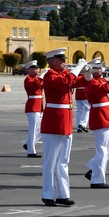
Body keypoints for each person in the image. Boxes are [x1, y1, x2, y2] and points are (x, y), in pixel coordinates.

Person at [40, 48, 85, 207]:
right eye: (61, 59)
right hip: (54, 122)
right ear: (52, 61)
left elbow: (77, 81)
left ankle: (63, 194)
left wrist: (87, 74)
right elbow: (66, 82)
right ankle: (47, 194)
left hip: (65, 122)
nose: (64, 61)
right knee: (50, 161)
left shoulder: (64, 73)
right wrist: (77, 70)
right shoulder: (49, 76)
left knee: (63, 161)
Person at [81, 62, 109, 189]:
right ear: (92, 70)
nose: (101, 70)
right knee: (102, 149)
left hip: (105, 116)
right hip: (99, 116)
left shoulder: (100, 80)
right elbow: (105, 88)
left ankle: (93, 167)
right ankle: (97, 179)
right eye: (98, 69)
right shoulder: (91, 83)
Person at [22, 60, 44, 158]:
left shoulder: (37, 78)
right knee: (33, 129)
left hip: (39, 106)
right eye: (34, 68)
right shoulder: (28, 79)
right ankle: (31, 151)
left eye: (37, 68)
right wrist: (41, 76)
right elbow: (34, 85)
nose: (37, 70)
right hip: (33, 106)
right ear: (29, 70)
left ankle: (28, 143)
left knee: (42, 129)